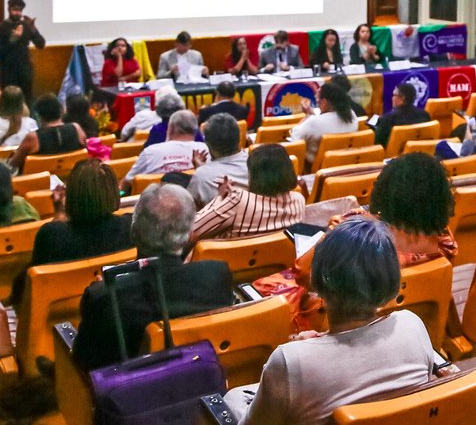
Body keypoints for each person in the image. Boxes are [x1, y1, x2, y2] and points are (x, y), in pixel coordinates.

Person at [225, 219, 442, 425]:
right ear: (391, 282)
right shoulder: (412, 325)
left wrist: (301, 352)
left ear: (319, 281)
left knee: (233, 397)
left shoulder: (290, 361)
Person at [72, 183, 235, 371]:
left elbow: (82, 362)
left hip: (130, 394)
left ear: (133, 231)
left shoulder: (103, 295)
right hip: (202, 379)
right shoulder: (217, 275)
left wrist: (108, 291)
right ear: (189, 235)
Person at [12, 159, 134, 303]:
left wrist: (59, 213)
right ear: (114, 193)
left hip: (56, 318)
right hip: (111, 309)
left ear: (71, 195)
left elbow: (34, 286)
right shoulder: (130, 225)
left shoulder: (51, 234)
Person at [190, 143, 305, 241]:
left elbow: (192, 229)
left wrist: (220, 198)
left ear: (254, 176)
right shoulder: (299, 200)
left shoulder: (237, 201)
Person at [122, 110, 211, 192]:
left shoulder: (150, 152)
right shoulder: (206, 150)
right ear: (196, 130)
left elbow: (125, 185)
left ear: (171, 128)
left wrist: (121, 194)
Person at [9, 95, 87, 173]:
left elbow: (13, 164)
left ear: (39, 116)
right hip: (71, 180)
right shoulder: (77, 129)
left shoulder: (33, 138)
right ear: (61, 111)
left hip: (38, 183)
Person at [0, 0, 46, 100]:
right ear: (9, 10)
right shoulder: (1, 28)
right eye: (15, 10)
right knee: (10, 101)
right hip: (8, 71)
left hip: (25, 70)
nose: (17, 13)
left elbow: (41, 44)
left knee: (26, 100)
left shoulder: (26, 25)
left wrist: (33, 29)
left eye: (20, 10)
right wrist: (13, 40)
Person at [293, 83, 359, 166]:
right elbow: (328, 121)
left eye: (318, 100)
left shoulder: (313, 122)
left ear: (324, 102)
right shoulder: (352, 115)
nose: (317, 102)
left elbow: (294, 140)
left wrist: (307, 116)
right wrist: (312, 114)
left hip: (316, 170)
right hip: (345, 165)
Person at [188, 114, 249, 204]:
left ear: (208, 145)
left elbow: (191, 210)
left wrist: (202, 171)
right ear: (239, 138)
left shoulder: (201, 176)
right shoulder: (255, 164)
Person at [373, 83, 430, 152]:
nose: (392, 98)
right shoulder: (425, 115)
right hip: (421, 154)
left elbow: (378, 144)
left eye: (394, 95)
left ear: (402, 98)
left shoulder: (388, 119)